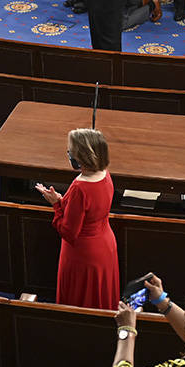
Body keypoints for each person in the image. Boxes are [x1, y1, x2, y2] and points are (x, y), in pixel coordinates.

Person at [35, 128, 119, 309]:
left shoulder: (79, 187)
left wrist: (56, 205)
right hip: (106, 246)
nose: (69, 154)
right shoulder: (105, 174)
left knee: (80, 301)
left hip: (83, 254)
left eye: (70, 151)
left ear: (80, 156)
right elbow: (90, 210)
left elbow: (68, 232)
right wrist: (63, 200)